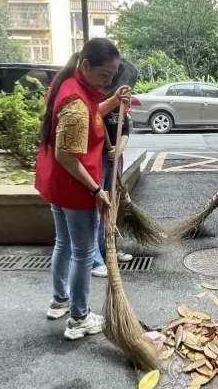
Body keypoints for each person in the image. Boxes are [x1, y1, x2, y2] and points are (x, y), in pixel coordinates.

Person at [35, 38, 130, 340]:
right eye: (105, 75)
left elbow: (91, 115)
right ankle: (79, 318)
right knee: (84, 253)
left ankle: (59, 300)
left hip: (57, 184)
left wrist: (113, 100)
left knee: (63, 243)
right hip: (75, 188)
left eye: (113, 75)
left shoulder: (69, 85)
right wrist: (95, 190)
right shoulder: (76, 101)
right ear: (86, 65)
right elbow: (67, 155)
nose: (109, 79)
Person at [91, 60, 138, 278]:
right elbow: (93, 119)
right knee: (99, 209)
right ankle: (95, 259)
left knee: (112, 208)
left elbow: (126, 129)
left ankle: (109, 249)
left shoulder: (123, 103)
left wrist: (118, 149)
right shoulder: (95, 100)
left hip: (113, 161)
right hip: (96, 162)